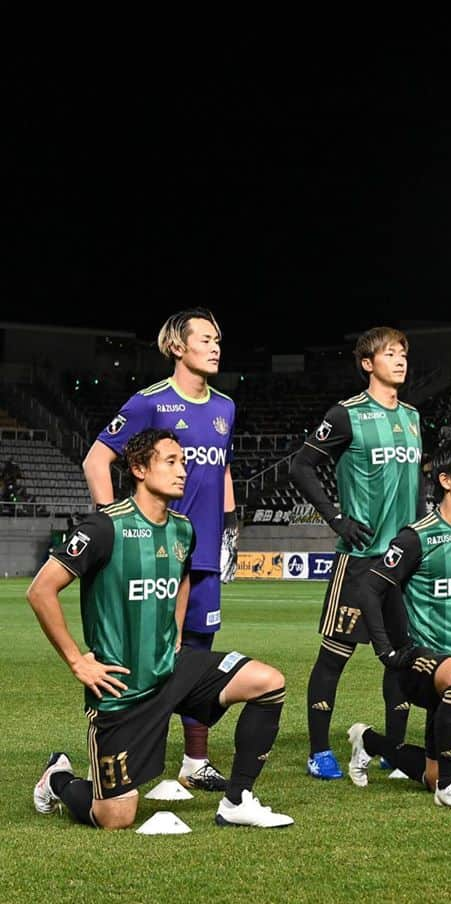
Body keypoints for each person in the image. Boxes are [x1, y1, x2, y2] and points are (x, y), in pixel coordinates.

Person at [30, 429, 291, 829]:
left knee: (268, 681)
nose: (182, 471)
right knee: (115, 817)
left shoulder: (182, 529)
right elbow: (41, 590)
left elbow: (183, 577)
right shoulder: (103, 528)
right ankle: (58, 778)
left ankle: (237, 801)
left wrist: (176, 633)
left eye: (183, 462)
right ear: (138, 468)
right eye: (171, 461)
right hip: (122, 689)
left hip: (174, 669)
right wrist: (76, 662)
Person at [82, 307, 237, 791]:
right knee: (142, 655)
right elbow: (96, 459)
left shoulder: (225, 407)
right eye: (205, 339)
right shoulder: (150, 402)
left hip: (204, 553)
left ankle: (195, 760)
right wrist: (116, 529)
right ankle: (120, 755)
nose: (215, 347)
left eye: (218, 340)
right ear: (177, 347)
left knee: (196, 654)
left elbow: (224, 468)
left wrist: (232, 528)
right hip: (152, 553)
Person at [290, 326, 424, 781]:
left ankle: (395, 748)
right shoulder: (346, 415)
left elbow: (418, 490)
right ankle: (318, 751)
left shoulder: (412, 416)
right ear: (368, 363)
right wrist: (335, 518)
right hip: (361, 558)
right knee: (335, 654)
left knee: (402, 654)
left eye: (403, 352)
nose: (400, 360)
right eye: (390, 353)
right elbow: (301, 465)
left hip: (402, 561)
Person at [347, 443, 451, 809]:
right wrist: (387, 650)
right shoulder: (417, 537)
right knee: (450, 778)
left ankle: (369, 742)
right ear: (445, 480)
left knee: (439, 771)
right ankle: (448, 791)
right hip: (424, 662)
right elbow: (370, 588)